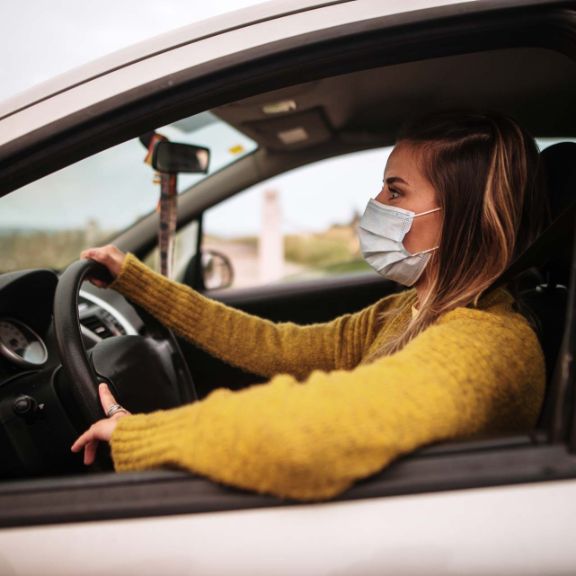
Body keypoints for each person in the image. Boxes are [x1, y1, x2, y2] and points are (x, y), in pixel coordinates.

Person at [71, 111, 549, 501]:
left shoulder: (489, 343)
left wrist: (141, 436)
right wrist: (139, 283)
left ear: (463, 215)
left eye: (396, 190)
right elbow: (277, 346)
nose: (375, 202)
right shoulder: (403, 312)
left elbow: (310, 430)